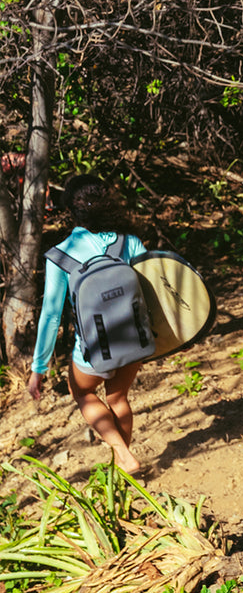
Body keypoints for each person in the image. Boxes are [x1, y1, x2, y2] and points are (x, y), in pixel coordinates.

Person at [27, 174, 148, 474]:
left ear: (71, 209)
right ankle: (124, 465)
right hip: (135, 341)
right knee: (117, 397)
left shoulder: (60, 255)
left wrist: (38, 368)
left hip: (94, 350)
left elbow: (51, 314)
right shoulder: (129, 241)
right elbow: (154, 290)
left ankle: (123, 455)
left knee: (81, 391)